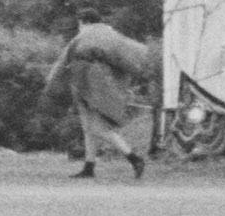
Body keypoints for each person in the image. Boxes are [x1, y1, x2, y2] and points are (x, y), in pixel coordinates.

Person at [52, 23, 160, 180]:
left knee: (98, 128)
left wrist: (53, 85)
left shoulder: (84, 37)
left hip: (89, 84)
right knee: (88, 129)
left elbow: (63, 61)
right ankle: (89, 167)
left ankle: (134, 159)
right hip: (92, 83)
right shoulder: (110, 37)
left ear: (82, 22)